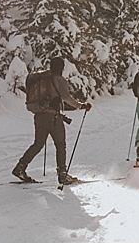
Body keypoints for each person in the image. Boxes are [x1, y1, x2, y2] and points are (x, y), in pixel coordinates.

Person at [12, 56, 92, 185]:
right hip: (53, 118)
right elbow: (66, 97)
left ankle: (20, 167)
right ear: (61, 68)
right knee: (61, 145)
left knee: (38, 144)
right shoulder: (60, 81)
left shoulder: (44, 80)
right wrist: (81, 105)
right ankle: (62, 174)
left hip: (39, 116)